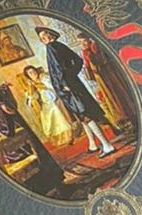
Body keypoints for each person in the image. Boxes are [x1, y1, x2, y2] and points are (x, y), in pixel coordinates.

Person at [0, 57, 64, 189]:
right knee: (28, 145)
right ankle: (49, 182)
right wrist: (3, 105)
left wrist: (3, 88)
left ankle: (53, 179)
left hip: (9, 115)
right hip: (7, 118)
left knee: (32, 143)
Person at [35, 27, 115, 157]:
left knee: (85, 115)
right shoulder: (58, 45)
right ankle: (93, 144)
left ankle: (107, 145)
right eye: (42, 38)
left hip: (68, 88)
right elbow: (77, 61)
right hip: (72, 85)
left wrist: (65, 83)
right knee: (81, 116)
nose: (44, 38)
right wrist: (71, 76)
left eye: (46, 35)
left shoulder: (52, 47)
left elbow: (59, 70)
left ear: (51, 35)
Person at [78, 33, 133, 131]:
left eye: (84, 41)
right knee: (110, 97)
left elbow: (101, 61)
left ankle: (130, 116)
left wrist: (89, 55)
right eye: (80, 42)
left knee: (119, 94)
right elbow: (88, 68)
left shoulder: (95, 47)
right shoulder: (85, 51)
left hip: (109, 74)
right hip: (101, 78)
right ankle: (123, 120)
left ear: (88, 39)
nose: (83, 44)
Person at [21, 65, 74, 147]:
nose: (33, 73)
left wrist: (37, 84)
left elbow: (51, 87)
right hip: (45, 103)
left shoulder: (43, 78)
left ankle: (69, 136)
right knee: (47, 119)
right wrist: (31, 87)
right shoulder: (31, 85)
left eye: (33, 71)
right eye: (30, 73)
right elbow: (34, 97)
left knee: (56, 112)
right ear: (28, 76)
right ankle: (60, 139)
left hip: (54, 99)